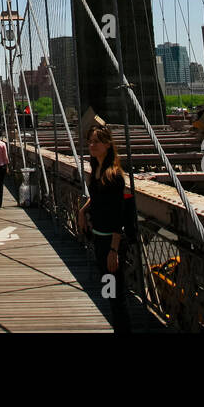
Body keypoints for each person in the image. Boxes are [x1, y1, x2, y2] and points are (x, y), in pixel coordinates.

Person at [77, 125, 132, 333]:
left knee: (116, 295)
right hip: (99, 240)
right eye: (90, 141)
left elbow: (119, 214)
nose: (91, 145)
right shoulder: (97, 170)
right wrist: (83, 211)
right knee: (109, 292)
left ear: (108, 145)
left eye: (96, 142)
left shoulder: (114, 175)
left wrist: (114, 250)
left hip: (111, 242)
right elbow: (98, 198)